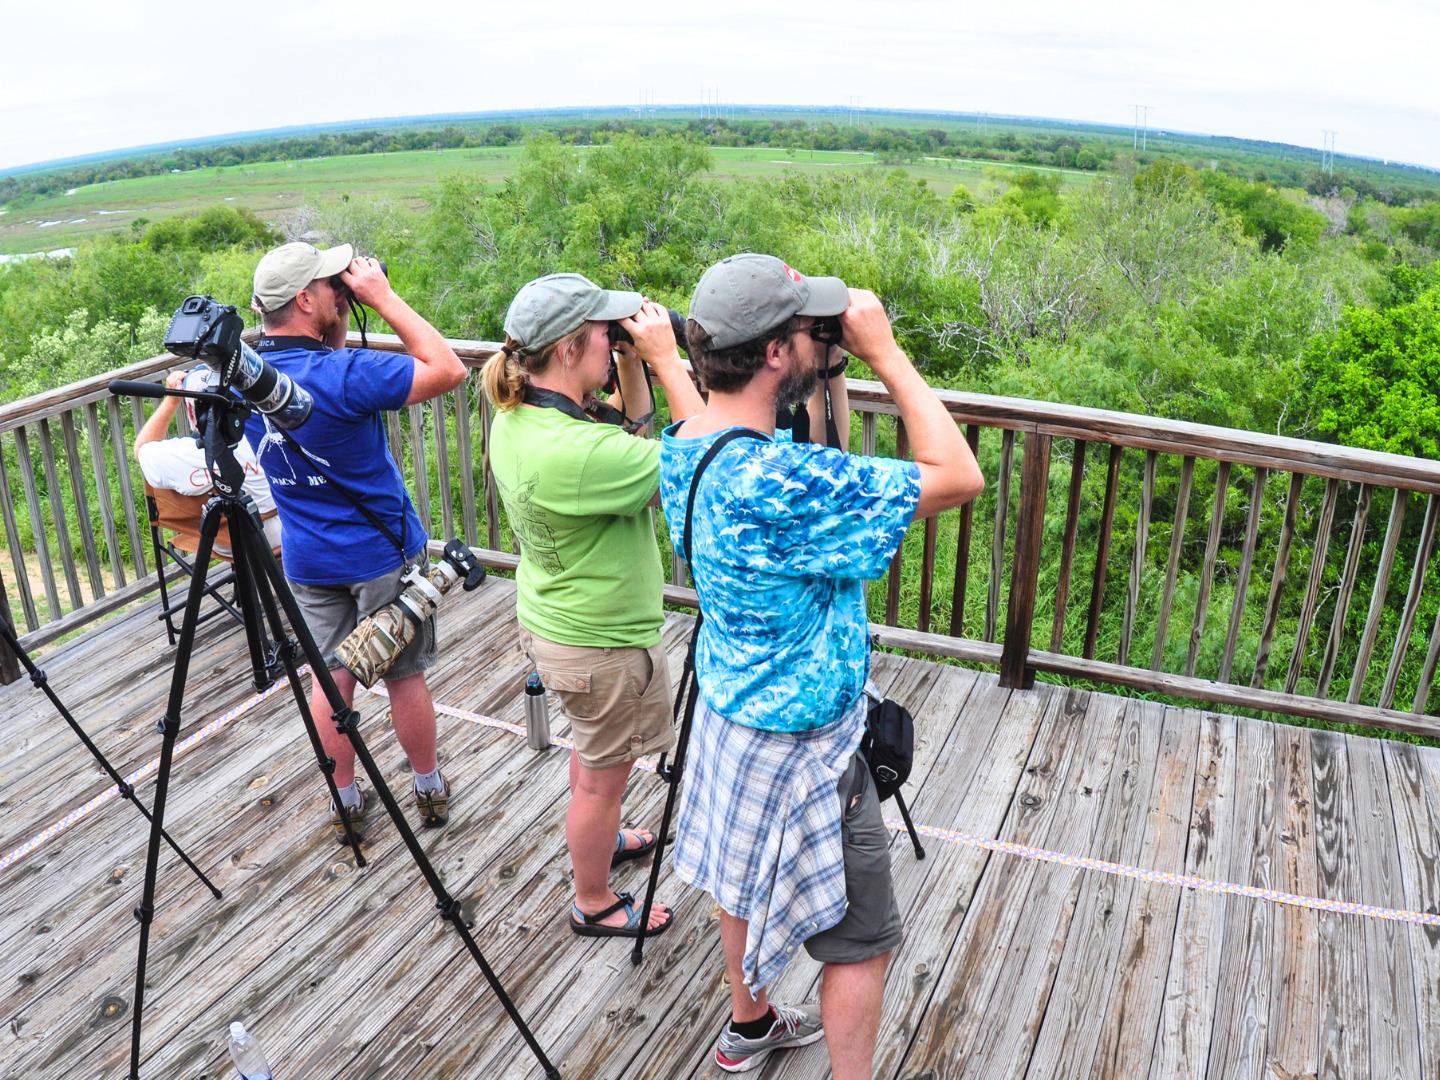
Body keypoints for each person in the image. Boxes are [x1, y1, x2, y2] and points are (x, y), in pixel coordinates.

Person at [659, 253, 983, 1076]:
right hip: (809, 752)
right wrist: (884, 352)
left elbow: (797, 443)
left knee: (740, 883)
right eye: (809, 333)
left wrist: (823, 362)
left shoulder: (688, 444)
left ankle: (750, 1022)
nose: (824, 340)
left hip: (732, 718)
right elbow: (960, 475)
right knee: (860, 942)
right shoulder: (785, 484)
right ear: (774, 352)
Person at [482, 273, 704, 939]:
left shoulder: (522, 416)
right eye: (608, 334)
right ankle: (594, 898)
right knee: (601, 783)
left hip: (560, 622)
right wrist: (666, 360)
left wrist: (632, 368)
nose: (619, 339)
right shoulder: (576, 453)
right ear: (572, 349)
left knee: (594, 760)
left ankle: (602, 845)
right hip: (600, 645)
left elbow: (633, 436)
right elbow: (704, 465)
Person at [245, 240, 467, 840]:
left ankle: (345, 798)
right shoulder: (345, 375)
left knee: (329, 678)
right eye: (330, 286)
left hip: (308, 556)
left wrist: (336, 320)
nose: (341, 289)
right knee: (403, 674)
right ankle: (428, 787)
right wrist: (382, 297)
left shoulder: (242, 375)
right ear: (304, 298)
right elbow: (449, 368)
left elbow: (297, 359)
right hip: (381, 555)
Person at [133, 364, 283, 554]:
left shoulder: (181, 455)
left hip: (225, 542)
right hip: (281, 535)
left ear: (189, 411)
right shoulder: (264, 436)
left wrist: (171, 400)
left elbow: (141, 449)